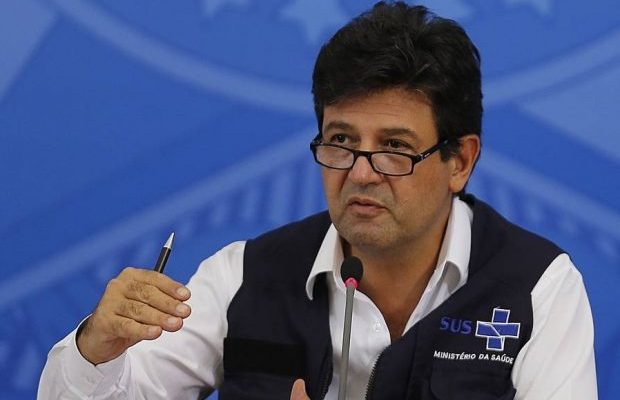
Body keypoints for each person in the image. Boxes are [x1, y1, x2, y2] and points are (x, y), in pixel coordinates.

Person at [38, 2, 597, 399]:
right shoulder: (243, 276)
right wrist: (97, 348)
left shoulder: (537, 287)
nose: (360, 173)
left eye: (394, 148)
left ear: (460, 161)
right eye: (341, 141)